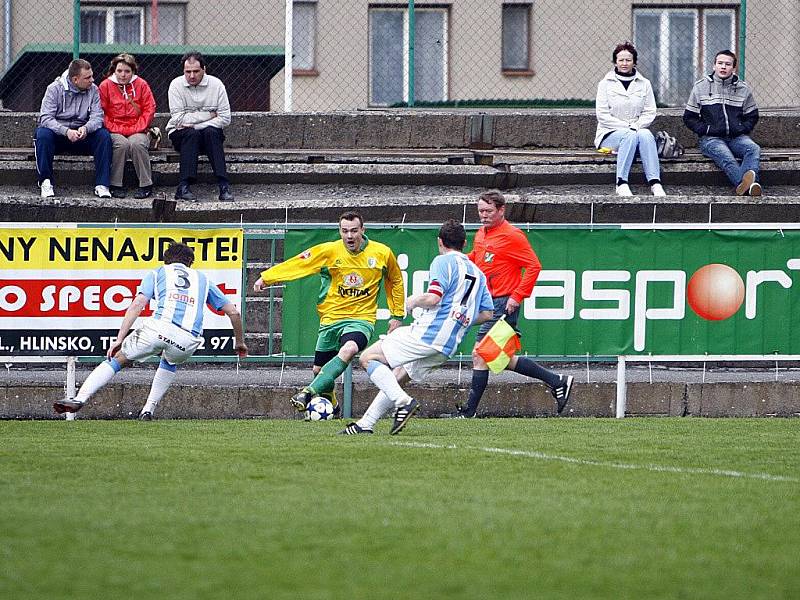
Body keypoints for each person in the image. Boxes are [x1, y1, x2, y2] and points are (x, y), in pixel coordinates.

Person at [53, 242, 247, 419]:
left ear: (166, 259)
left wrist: (120, 338)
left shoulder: (157, 273)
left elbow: (138, 304)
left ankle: (80, 399)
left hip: (158, 329)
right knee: (169, 361)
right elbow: (233, 312)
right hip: (188, 340)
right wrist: (239, 342)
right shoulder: (203, 280)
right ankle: (148, 409)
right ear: (190, 262)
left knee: (119, 358)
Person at [338, 219, 494, 435]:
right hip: (448, 345)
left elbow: (433, 298)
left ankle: (403, 401)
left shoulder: (442, 262)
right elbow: (487, 313)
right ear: (464, 243)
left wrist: (410, 302)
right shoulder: (478, 273)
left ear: (440, 242)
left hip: (429, 334)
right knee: (399, 374)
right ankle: (366, 424)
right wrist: (459, 318)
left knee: (367, 357)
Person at [253, 211, 405, 415]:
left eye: (353, 231)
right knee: (319, 371)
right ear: (339, 231)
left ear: (363, 230)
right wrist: (268, 278)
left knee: (349, 349)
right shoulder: (329, 251)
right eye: (345, 231)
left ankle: (308, 392)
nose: (349, 236)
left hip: (361, 319)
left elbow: (394, 280)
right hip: (331, 318)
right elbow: (300, 263)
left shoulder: (382, 253)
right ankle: (332, 404)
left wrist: (397, 314)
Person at [445, 191, 573, 419]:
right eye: (480, 211)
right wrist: (462, 260)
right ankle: (557, 381)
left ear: (501, 210)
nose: (483, 216)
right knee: (496, 357)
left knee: (480, 354)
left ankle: (469, 412)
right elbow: (479, 256)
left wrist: (518, 296)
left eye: (488, 211)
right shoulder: (482, 234)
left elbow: (534, 266)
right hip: (487, 302)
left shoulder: (513, 236)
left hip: (504, 303)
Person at [683, 49, 762, 196]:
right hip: (711, 139)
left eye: (727, 64)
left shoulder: (742, 89)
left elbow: (752, 116)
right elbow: (689, 117)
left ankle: (746, 187)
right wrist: (706, 130)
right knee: (728, 159)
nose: (723, 67)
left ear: (733, 68)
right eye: (720, 63)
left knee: (753, 149)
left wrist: (741, 128)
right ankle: (749, 186)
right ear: (714, 66)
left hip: (736, 137)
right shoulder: (701, 87)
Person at [34, 58, 113, 199]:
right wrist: (66, 131)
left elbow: (97, 117)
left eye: (92, 76)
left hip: (82, 135)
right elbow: (46, 118)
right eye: (87, 77)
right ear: (75, 79)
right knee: (42, 134)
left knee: (103, 136)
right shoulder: (54, 89)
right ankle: (45, 182)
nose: (92, 80)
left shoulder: (94, 90)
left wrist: (86, 128)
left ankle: (102, 185)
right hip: (59, 136)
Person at [595, 41, 666, 197]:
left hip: (636, 130)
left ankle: (655, 183)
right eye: (621, 60)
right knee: (630, 134)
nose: (624, 63)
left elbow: (649, 111)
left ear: (634, 62)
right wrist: (628, 126)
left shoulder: (644, 84)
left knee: (646, 134)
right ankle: (621, 183)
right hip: (609, 134)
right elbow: (602, 115)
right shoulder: (605, 84)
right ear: (615, 62)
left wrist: (638, 125)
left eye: (628, 60)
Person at [165, 51, 233, 202]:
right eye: (187, 72)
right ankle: (183, 186)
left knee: (211, 132)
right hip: (181, 134)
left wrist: (196, 125)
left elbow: (225, 118)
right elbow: (178, 119)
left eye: (196, 71)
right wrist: (209, 115)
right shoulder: (176, 85)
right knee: (191, 134)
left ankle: (224, 186)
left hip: (207, 135)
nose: (191, 76)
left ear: (204, 69)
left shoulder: (216, 85)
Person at [98, 53, 156, 199]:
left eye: (127, 71)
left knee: (137, 144)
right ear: (114, 71)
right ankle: (115, 184)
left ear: (133, 71)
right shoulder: (105, 86)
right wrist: (116, 128)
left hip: (138, 128)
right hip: (114, 128)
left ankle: (146, 184)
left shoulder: (141, 85)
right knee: (121, 145)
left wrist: (137, 128)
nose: (123, 75)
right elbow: (101, 112)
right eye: (119, 71)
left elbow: (149, 109)